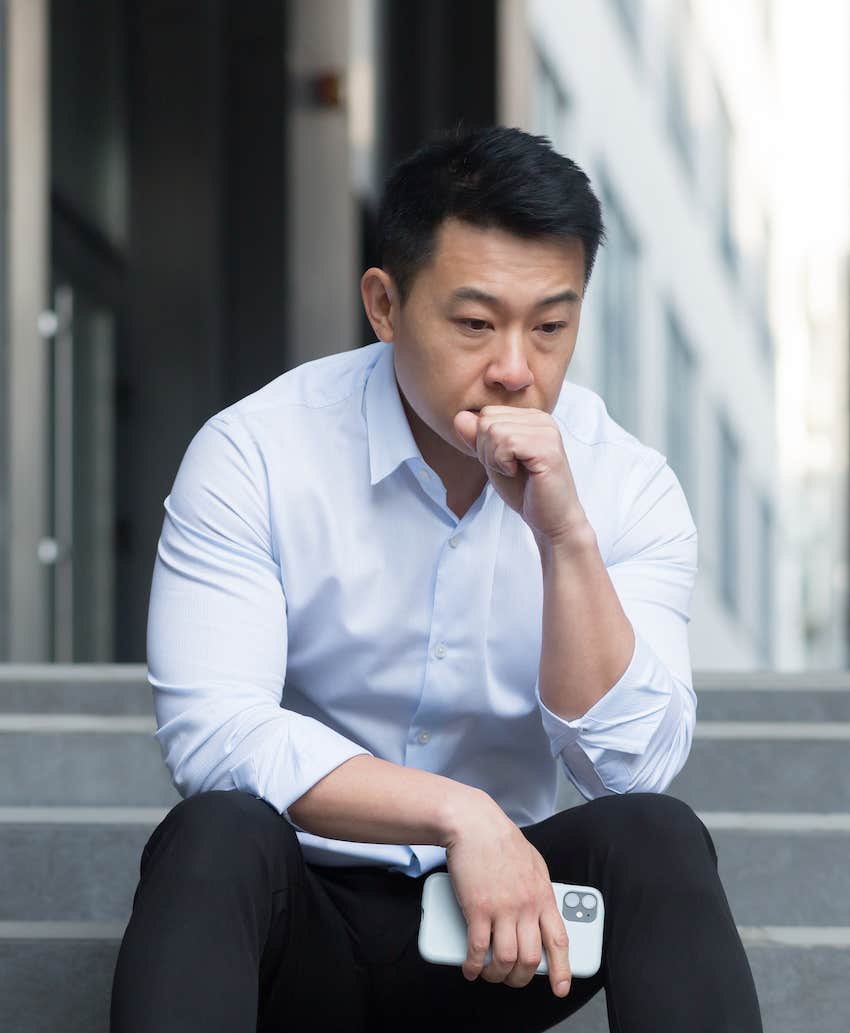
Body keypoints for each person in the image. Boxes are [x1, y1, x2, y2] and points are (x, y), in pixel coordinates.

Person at [110, 124, 764, 1033]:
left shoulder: (626, 483)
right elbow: (215, 734)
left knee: (657, 837)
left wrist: (564, 534)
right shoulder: (255, 451)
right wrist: (459, 814)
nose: (515, 369)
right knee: (214, 832)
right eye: (475, 323)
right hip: (296, 922)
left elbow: (635, 766)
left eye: (550, 327)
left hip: (503, 941)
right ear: (384, 304)